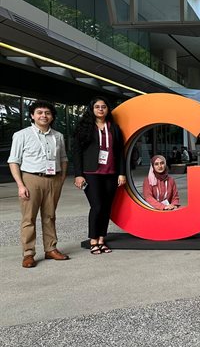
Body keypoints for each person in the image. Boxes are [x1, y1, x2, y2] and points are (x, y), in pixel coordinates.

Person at [8, 100, 70, 268]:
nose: (44, 115)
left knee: (50, 216)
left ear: (52, 117)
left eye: (47, 113)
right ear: (32, 116)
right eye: (40, 112)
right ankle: (28, 254)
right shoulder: (22, 135)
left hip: (53, 179)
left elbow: (63, 158)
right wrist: (21, 185)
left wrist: (62, 178)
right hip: (31, 179)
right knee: (29, 218)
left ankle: (51, 249)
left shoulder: (58, 136)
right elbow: (13, 161)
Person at [73, 96, 126, 255]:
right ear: (92, 109)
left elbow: (120, 152)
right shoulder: (84, 127)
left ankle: (102, 238)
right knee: (97, 206)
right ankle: (93, 240)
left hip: (111, 173)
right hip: (91, 173)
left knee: (106, 207)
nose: (101, 109)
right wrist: (78, 175)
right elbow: (76, 152)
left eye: (104, 106)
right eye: (97, 106)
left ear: (107, 109)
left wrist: (121, 173)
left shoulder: (114, 128)